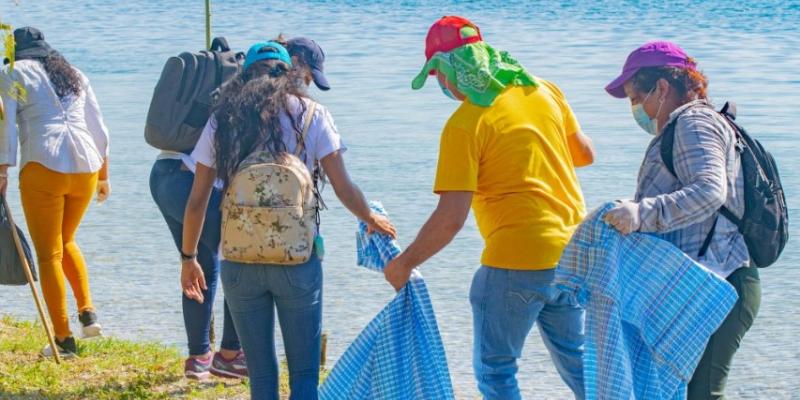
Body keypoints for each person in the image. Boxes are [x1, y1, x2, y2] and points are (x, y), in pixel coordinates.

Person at [385, 16, 595, 400]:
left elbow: (451, 219)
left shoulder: (465, 125)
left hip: (515, 262)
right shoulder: (544, 90)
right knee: (580, 363)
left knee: (496, 371)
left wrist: (404, 264)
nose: (441, 86)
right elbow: (584, 154)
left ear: (449, 71)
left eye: (437, 76)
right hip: (573, 255)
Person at [181, 41, 395, 400]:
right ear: (289, 74)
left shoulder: (223, 120)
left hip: (239, 260)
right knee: (305, 372)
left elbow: (198, 200)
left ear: (244, 76)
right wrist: (369, 216)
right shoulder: (312, 114)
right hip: (297, 260)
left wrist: (189, 259)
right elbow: (343, 186)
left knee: (262, 374)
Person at [603, 41, 759, 400]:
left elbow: (709, 192)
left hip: (723, 283)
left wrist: (641, 214)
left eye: (633, 97)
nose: (635, 109)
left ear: (661, 87)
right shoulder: (692, 125)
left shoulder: (693, 123)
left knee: (699, 394)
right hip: (710, 282)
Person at [0, 27, 109, 357]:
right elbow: (98, 125)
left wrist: (3, 167)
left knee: (48, 255)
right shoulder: (74, 73)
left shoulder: (11, 72)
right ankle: (88, 314)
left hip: (44, 165)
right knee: (66, 240)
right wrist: (104, 174)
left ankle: (63, 340)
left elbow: (6, 125)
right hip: (87, 167)